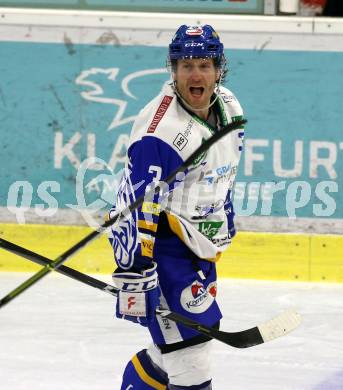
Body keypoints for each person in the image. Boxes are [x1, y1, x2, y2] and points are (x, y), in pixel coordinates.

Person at [108, 24, 245, 389]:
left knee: (171, 349)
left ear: (219, 69)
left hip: (196, 242)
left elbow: (223, 168)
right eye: (186, 66)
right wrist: (137, 272)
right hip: (163, 246)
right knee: (191, 356)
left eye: (204, 64)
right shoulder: (162, 134)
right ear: (174, 70)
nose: (195, 74)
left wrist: (222, 219)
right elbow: (137, 207)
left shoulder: (229, 105)